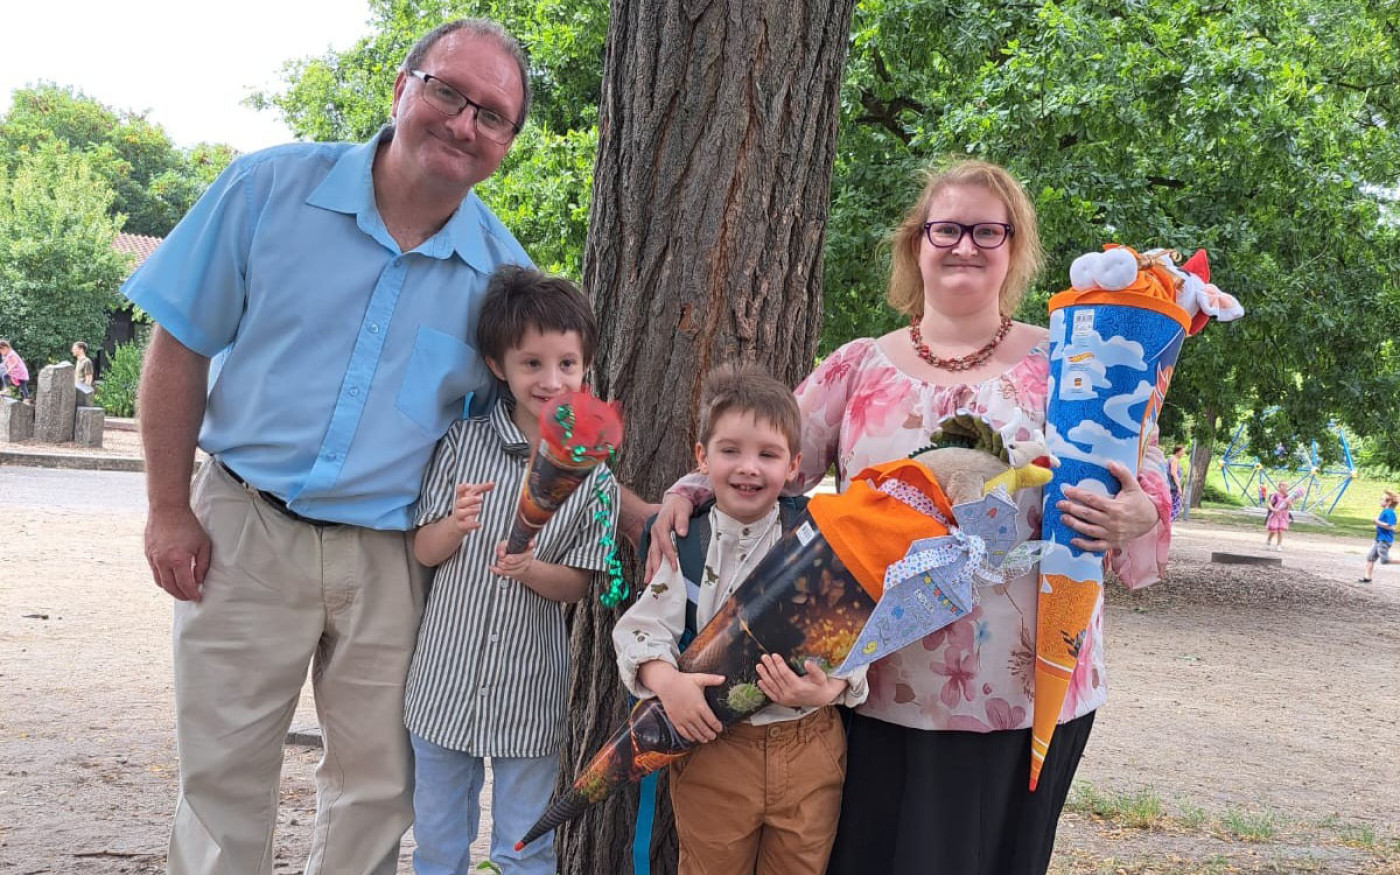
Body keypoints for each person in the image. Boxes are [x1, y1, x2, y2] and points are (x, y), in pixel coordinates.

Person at [648, 160, 1170, 875]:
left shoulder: (1067, 364)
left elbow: (1141, 488)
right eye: (946, 228)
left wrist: (1139, 512)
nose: (965, 245)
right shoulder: (860, 368)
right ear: (915, 243)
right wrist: (687, 491)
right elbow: (761, 460)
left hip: (1025, 701)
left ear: (1015, 249)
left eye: (989, 231)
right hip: (872, 689)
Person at [122, 18, 538, 875]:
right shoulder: (266, 191)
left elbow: (531, 423)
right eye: (448, 92)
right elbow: (180, 345)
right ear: (403, 85)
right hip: (241, 529)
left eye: (491, 115)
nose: (463, 123)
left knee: (380, 788)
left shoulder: (502, 278)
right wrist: (167, 508)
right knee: (221, 780)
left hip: (392, 558)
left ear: (506, 143)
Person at [405, 266, 617, 874]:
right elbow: (423, 550)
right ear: (499, 366)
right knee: (439, 844)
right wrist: (454, 525)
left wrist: (529, 568)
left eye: (568, 365)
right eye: (532, 364)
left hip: (530, 692)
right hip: (445, 686)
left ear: (584, 368)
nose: (552, 381)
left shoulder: (594, 475)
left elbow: (577, 585)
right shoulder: (462, 444)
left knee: (524, 847)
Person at [616, 364, 868, 875]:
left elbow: (858, 631)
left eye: (768, 455)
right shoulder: (685, 542)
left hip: (809, 746)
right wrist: (667, 683)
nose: (748, 468)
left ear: (794, 465)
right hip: (714, 748)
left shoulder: (818, 541)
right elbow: (641, 631)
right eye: (730, 451)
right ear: (702, 458)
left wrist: (831, 689)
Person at [1359, 489, 1397, 583]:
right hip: (1378, 539)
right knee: (1370, 557)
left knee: (1385, 560)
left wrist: (1377, 522)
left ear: (1389, 502)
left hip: (1384, 540)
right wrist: (1378, 524)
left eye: (1382, 500)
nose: (1380, 501)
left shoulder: (1389, 512)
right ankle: (1367, 578)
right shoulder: (1385, 511)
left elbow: (1390, 526)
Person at [1265, 480, 1294, 551]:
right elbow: (1269, 504)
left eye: (1286, 486)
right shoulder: (1275, 495)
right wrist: (1273, 509)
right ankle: (1269, 540)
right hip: (1275, 515)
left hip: (1283, 516)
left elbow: (1291, 507)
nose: (1285, 487)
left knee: (1280, 531)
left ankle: (1279, 545)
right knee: (1273, 530)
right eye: (1283, 486)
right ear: (1279, 487)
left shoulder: (1288, 497)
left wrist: (1290, 504)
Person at [1168, 444, 1186, 520]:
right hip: (1173, 487)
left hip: (1170, 486)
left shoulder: (1171, 458)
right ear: (1177, 452)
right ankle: (1167, 524)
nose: (1183, 454)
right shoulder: (1174, 460)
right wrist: (1179, 487)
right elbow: (1173, 473)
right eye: (1182, 452)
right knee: (1175, 506)